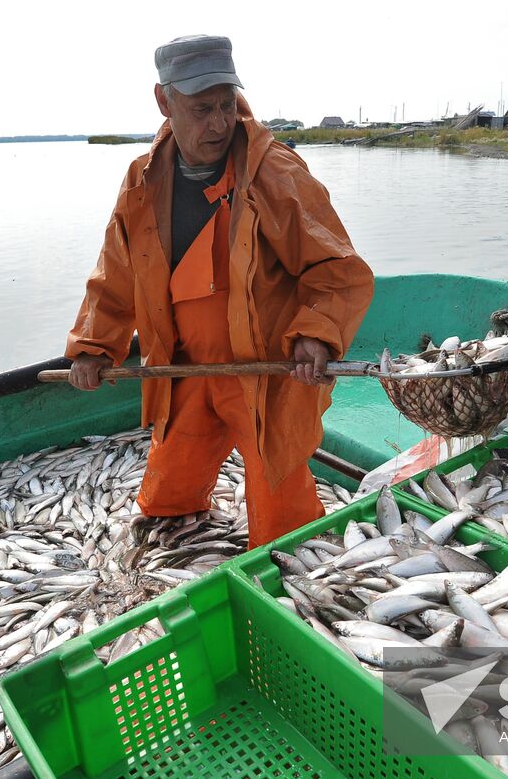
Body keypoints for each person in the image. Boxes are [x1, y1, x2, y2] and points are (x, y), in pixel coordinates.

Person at [66, 35, 375, 547]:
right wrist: (93, 347)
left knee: (283, 522)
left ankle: (288, 564)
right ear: (164, 102)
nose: (218, 122)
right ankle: (173, 533)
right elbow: (116, 276)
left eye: (226, 104)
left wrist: (316, 335)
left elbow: (337, 269)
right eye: (201, 107)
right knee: (169, 496)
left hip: (267, 371)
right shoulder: (142, 179)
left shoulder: (273, 171)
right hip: (184, 366)